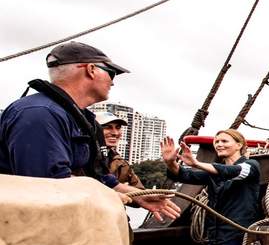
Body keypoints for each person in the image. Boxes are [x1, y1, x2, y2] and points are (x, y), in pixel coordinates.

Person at [0, 42, 178, 221]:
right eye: (111, 73)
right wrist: (106, 196)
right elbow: (48, 186)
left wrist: (138, 196)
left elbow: (101, 178)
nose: (113, 82)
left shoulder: (84, 120)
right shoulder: (39, 115)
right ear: (91, 69)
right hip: (29, 233)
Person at [96, 111, 142, 188]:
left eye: (118, 128)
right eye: (107, 127)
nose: (115, 133)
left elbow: (140, 192)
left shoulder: (121, 163)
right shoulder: (80, 158)